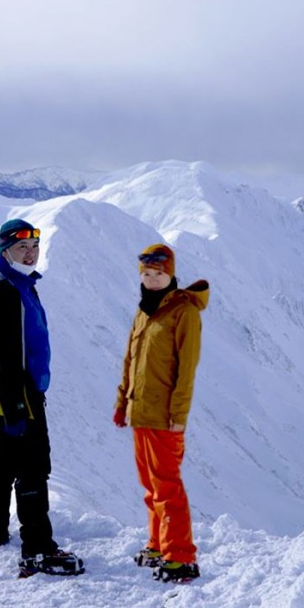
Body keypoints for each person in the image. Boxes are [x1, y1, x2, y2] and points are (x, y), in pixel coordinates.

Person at [0, 218, 84, 579]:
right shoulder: (3, 291)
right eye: (21, 247)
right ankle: (37, 550)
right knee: (33, 464)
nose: (30, 253)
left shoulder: (13, 278)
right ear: (4, 249)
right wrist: (14, 407)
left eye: (34, 247)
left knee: (8, 457)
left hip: (8, 385)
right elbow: (4, 355)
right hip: (11, 388)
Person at [112, 243, 208, 583]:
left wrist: (179, 415)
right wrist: (123, 402)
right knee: (151, 486)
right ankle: (158, 544)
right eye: (148, 274)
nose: (153, 280)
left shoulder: (184, 312)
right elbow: (131, 360)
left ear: (171, 274)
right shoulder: (144, 311)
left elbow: (187, 369)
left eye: (159, 274)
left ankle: (180, 556)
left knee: (168, 487)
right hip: (141, 412)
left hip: (165, 416)